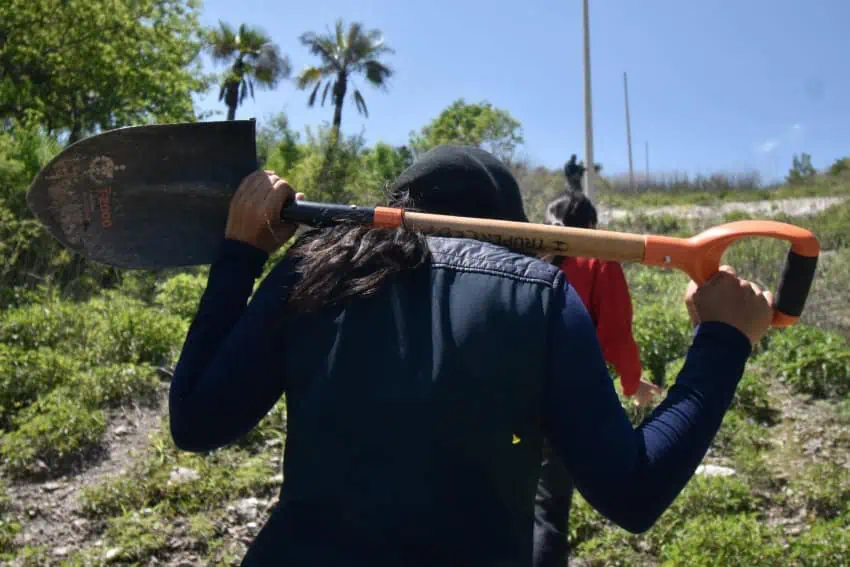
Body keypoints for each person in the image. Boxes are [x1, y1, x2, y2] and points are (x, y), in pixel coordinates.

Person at [168, 145, 774, 566]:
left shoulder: (311, 269)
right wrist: (722, 342)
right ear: (514, 227)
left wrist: (241, 256)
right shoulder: (539, 296)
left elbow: (196, 420)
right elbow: (634, 492)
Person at [533, 189, 662, 566]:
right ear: (591, 226)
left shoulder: (530, 255)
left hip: (507, 391)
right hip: (561, 403)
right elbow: (615, 334)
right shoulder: (598, 260)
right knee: (548, 509)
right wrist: (632, 382)